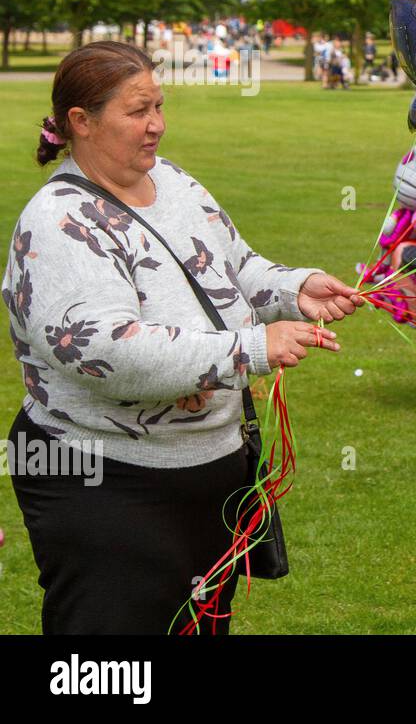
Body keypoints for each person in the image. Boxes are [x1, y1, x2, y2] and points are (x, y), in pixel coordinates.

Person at [3, 41, 365, 634]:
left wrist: (294, 290)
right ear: (81, 122)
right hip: (106, 481)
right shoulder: (58, 222)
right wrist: (249, 348)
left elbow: (231, 265)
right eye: (138, 111)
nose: (157, 127)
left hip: (211, 470)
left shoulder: (173, 182)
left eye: (160, 107)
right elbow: (106, 351)